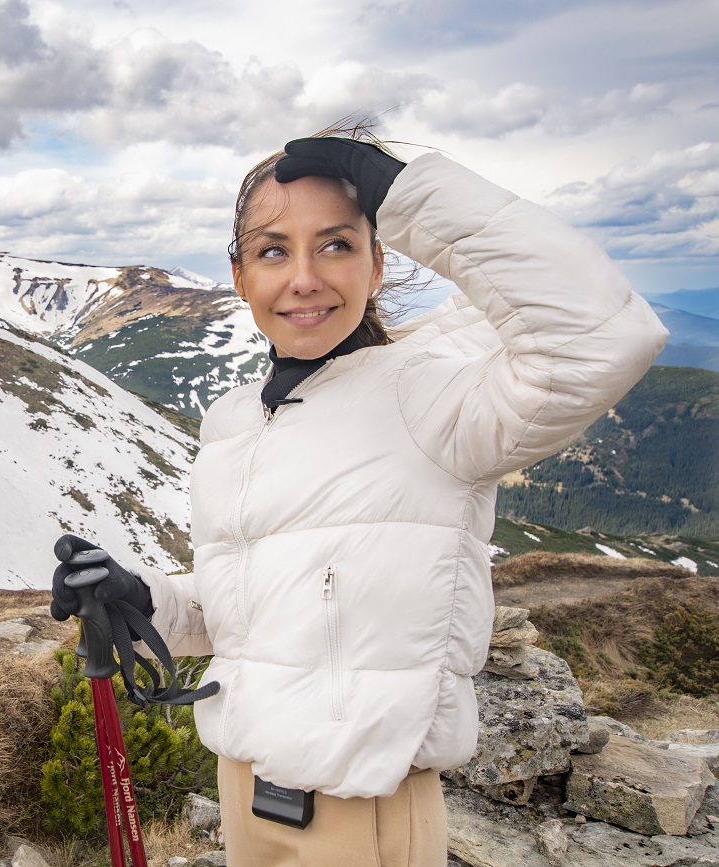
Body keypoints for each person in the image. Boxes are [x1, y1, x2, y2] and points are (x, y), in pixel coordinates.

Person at [51, 131, 669, 866]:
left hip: (363, 816)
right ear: (240, 275)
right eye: (274, 250)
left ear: (377, 264)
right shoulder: (232, 423)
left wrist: (406, 193)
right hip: (245, 793)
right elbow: (250, 614)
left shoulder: (430, 397)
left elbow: (606, 335)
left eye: (337, 245)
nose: (305, 278)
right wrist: (141, 598)